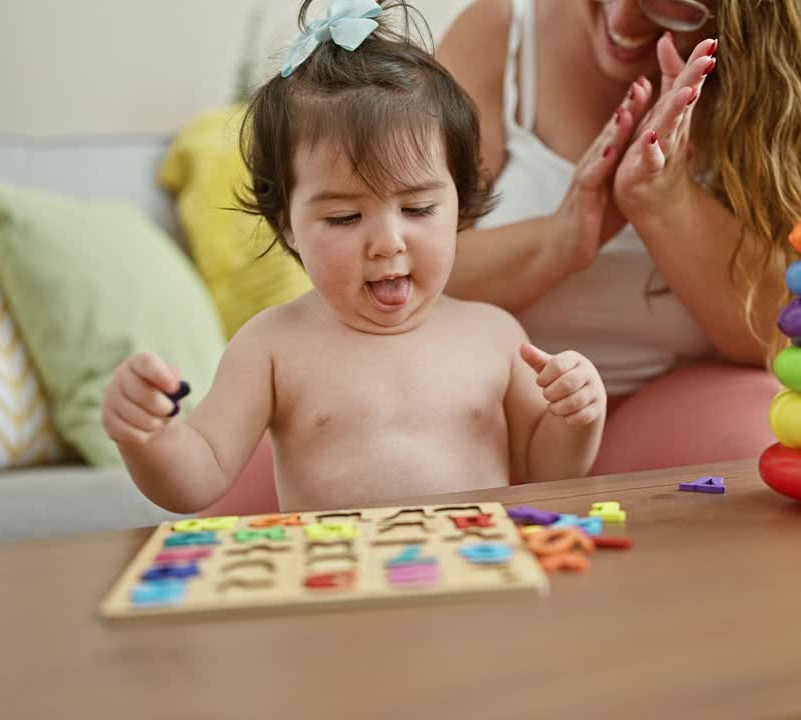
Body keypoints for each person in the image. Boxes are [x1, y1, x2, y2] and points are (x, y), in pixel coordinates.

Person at [101, 0, 607, 514]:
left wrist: (576, 414)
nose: (388, 242)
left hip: (478, 576)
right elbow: (198, 478)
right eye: (345, 218)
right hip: (338, 584)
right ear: (289, 227)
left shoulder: (495, 335)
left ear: (458, 203)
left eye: (417, 208)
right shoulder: (272, 346)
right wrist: (150, 438)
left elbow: (550, 469)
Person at [435, 0, 801, 474]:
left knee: (784, 441)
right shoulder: (500, 33)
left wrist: (664, 200)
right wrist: (563, 239)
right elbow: (403, 271)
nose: (620, 23)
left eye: (673, 7)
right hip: (509, 409)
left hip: (681, 408)